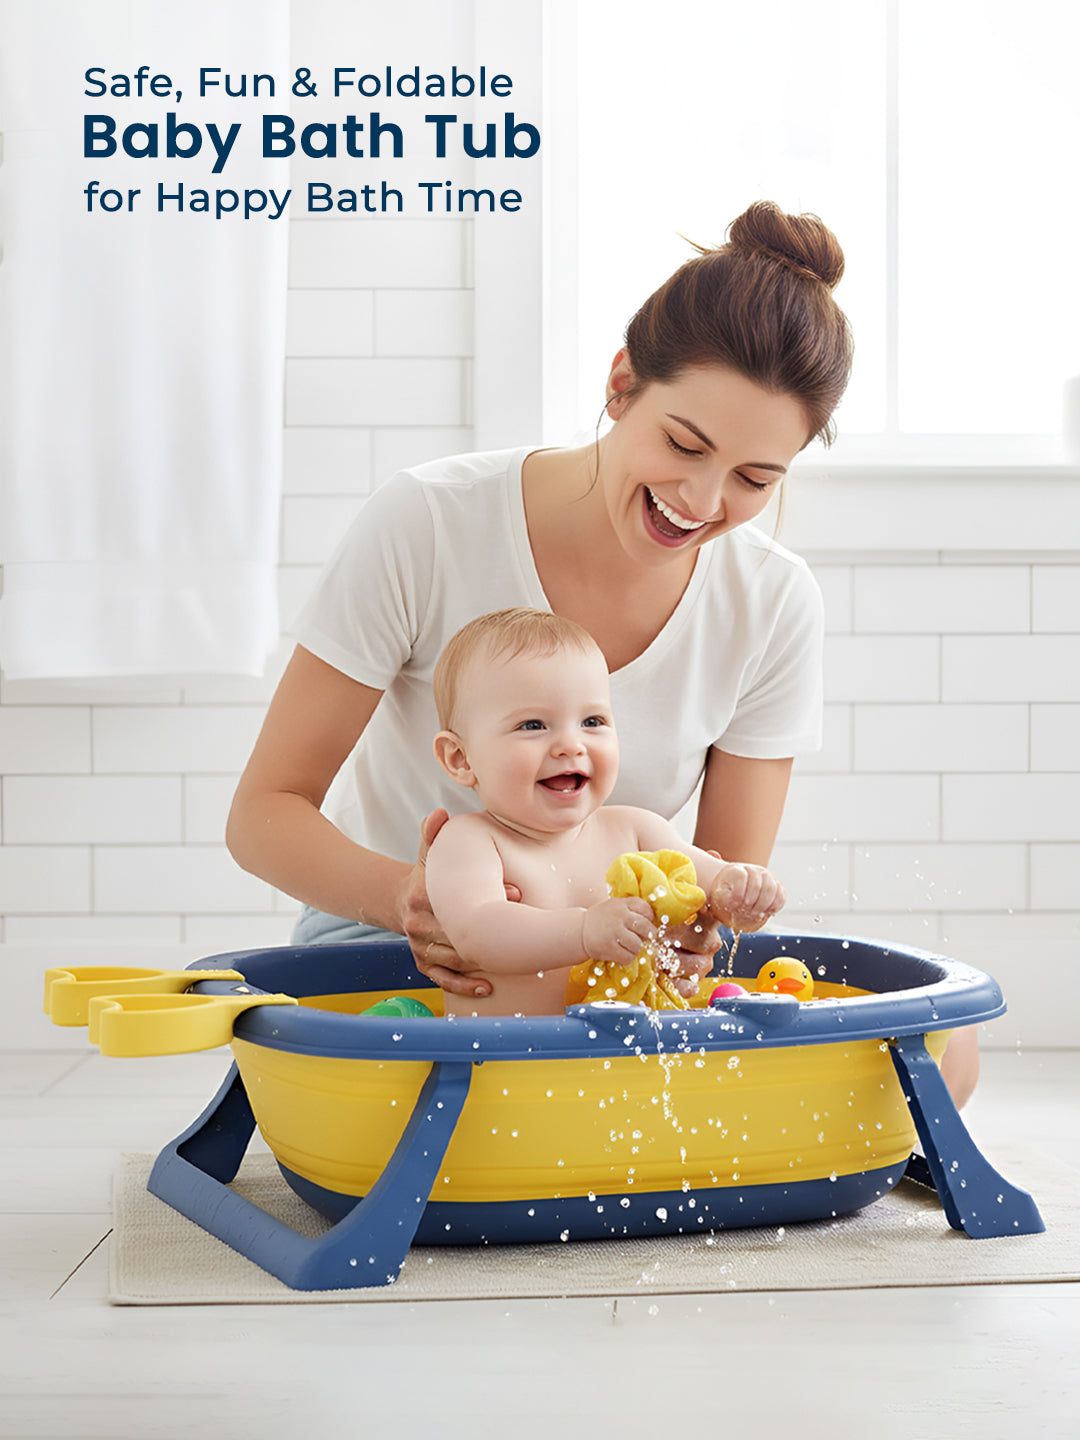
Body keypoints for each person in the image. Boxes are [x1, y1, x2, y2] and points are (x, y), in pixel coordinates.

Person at [225, 197, 976, 1100]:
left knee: (948, 1057)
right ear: (622, 384)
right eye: (684, 444)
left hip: (619, 972)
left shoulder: (771, 601)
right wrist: (415, 903)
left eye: (753, 479)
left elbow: (712, 895)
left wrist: (703, 926)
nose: (701, 501)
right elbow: (263, 814)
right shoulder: (428, 521)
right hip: (404, 950)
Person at [424, 607, 786, 1017]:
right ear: (460, 758)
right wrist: (583, 931)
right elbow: (478, 933)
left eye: (592, 721)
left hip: (624, 1052)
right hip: (507, 1052)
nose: (571, 745)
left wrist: (740, 892)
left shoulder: (636, 830)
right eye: (533, 725)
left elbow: (708, 886)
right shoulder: (468, 842)